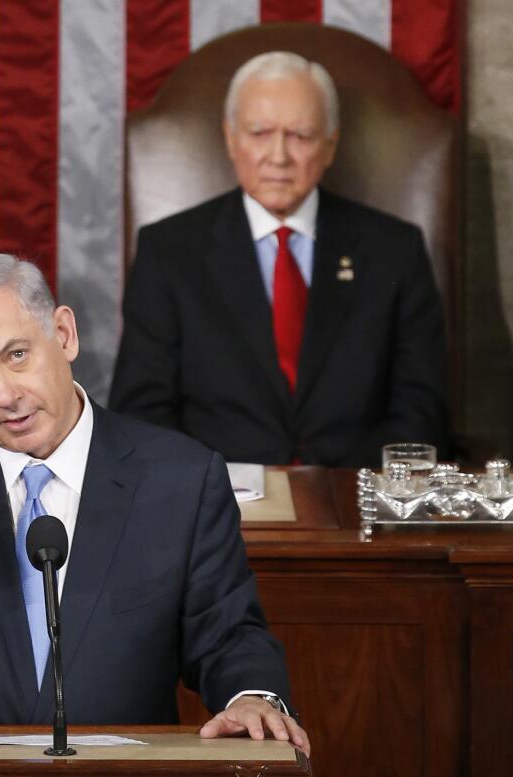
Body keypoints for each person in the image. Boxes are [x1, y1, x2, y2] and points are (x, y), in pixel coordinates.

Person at [0, 254, 310, 755]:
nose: (4, 394)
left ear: (64, 334)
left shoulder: (180, 477)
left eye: (16, 355)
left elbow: (227, 632)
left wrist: (253, 697)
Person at [111, 50, 447, 468]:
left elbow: (421, 408)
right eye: (259, 133)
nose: (279, 156)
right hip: (216, 507)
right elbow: (142, 412)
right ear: (231, 139)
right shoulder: (170, 251)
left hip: (355, 505)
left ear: (330, 145)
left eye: (301, 136)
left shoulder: (395, 250)